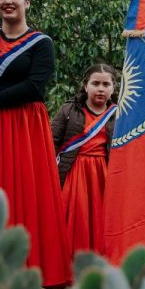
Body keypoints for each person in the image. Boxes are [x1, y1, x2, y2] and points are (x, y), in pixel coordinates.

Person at [0, 0, 71, 289]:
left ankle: (32, 268)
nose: (8, 1)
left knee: (27, 192)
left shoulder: (41, 42)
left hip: (24, 126)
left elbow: (35, 86)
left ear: (27, 1)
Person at [51, 64, 118, 256]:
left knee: (101, 220)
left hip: (105, 174)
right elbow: (52, 143)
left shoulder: (119, 114)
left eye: (106, 84)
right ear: (85, 85)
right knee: (76, 220)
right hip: (74, 173)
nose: (100, 88)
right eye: (95, 83)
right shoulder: (68, 110)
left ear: (113, 88)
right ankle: (70, 269)